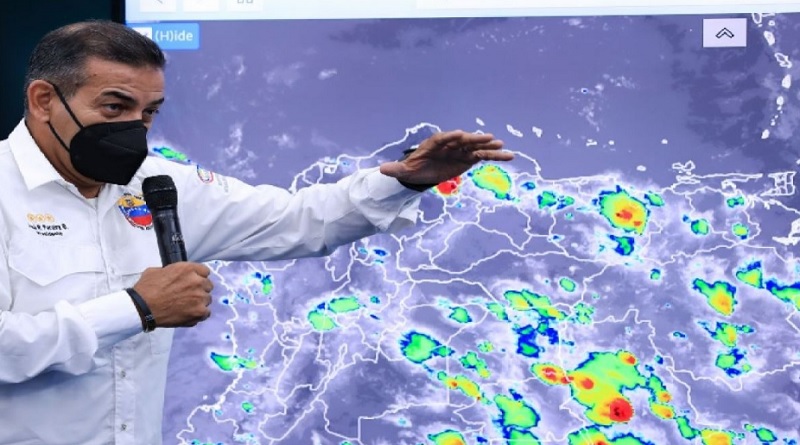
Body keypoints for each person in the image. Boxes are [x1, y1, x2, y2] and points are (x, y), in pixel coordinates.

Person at [0, 20, 512, 445]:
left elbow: (294, 219)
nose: (135, 128)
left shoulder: (158, 185)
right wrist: (136, 309)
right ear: (44, 100)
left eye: (149, 112)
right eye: (115, 107)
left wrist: (407, 179)